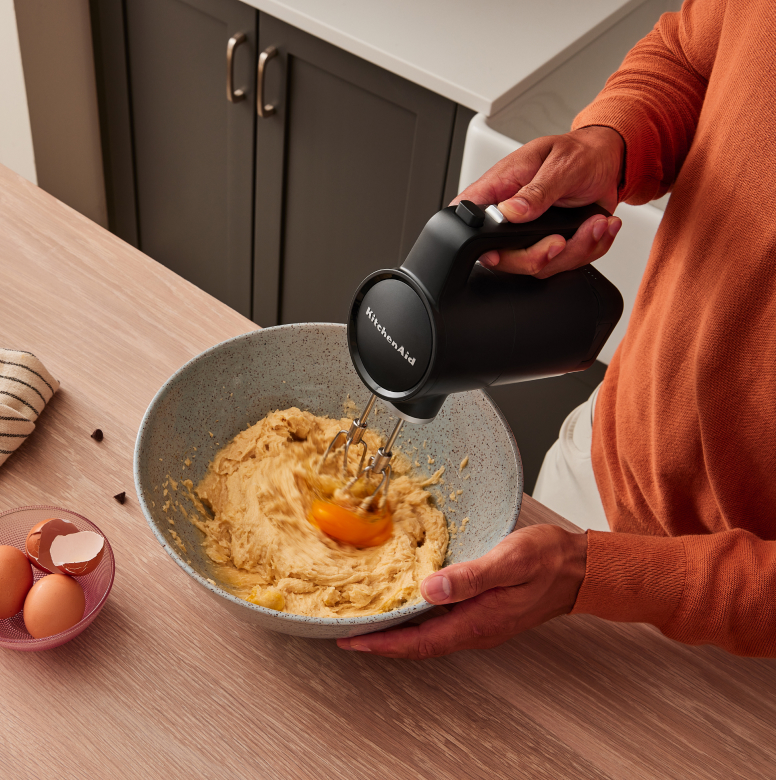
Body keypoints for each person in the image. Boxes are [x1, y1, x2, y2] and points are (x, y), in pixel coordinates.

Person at [337, 0, 776, 660]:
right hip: (605, 461)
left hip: (747, 631)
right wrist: (610, 141)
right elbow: (693, 51)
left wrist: (595, 575)